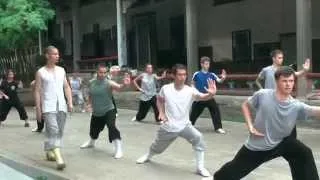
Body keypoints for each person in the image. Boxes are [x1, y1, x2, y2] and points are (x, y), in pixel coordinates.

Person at [214, 66, 319, 180]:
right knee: (230, 172)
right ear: (277, 82)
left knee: (304, 154)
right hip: (260, 145)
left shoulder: (296, 105)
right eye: (284, 81)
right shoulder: (263, 95)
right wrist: (250, 126)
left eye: (291, 81)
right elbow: (245, 105)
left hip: (283, 142)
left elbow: (315, 111)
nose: (288, 84)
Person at [136, 64, 216, 177]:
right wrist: (161, 112)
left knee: (199, 138)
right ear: (173, 75)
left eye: (184, 74)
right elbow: (159, 100)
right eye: (179, 74)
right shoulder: (166, 89)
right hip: (169, 126)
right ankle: (148, 155)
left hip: (185, 125)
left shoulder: (190, 90)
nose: (182, 77)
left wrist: (211, 94)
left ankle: (200, 167)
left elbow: (203, 97)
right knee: (157, 146)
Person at [255, 49, 310, 138]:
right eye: (279, 58)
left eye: (282, 58)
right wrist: (262, 90)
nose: (282, 60)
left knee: (289, 120)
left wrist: (305, 70)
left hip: (284, 99)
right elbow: (257, 81)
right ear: (273, 59)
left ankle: (290, 140)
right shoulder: (266, 70)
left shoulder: (285, 70)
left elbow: (297, 74)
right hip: (271, 100)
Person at [80, 64, 131, 159]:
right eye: (100, 72)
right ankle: (91, 142)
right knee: (94, 130)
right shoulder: (92, 83)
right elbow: (91, 95)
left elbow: (119, 88)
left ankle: (118, 148)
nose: (103, 74)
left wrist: (125, 84)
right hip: (97, 111)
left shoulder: (109, 83)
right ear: (97, 72)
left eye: (104, 72)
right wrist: (88, 104)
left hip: (109, 110)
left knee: (111, 126)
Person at [34, 46, 73, 170]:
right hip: (48, 106)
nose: (57, 56)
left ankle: (49, 150)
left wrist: (70, 102)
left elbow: (66, 87)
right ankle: (59, 158)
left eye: (58, 54)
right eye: (55, 54)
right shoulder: (41, 72)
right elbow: (37, 91)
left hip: (61, 105)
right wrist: (38, 109)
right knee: (54, 129)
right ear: (47, 56)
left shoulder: (61, 70)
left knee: (59, 131)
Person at [190, 56, 227, 134]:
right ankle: (189, 126)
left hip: (209, 97)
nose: (208, 65)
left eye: (208, 64)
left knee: (215, 111)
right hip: (200, 98)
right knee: (194, 113)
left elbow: (219, 81)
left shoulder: (212, 74)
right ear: (202, 64)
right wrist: (195, 92)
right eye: (206, 64)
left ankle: (218, 128)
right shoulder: (197, 74)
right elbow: (192, 84)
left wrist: (223, 78)